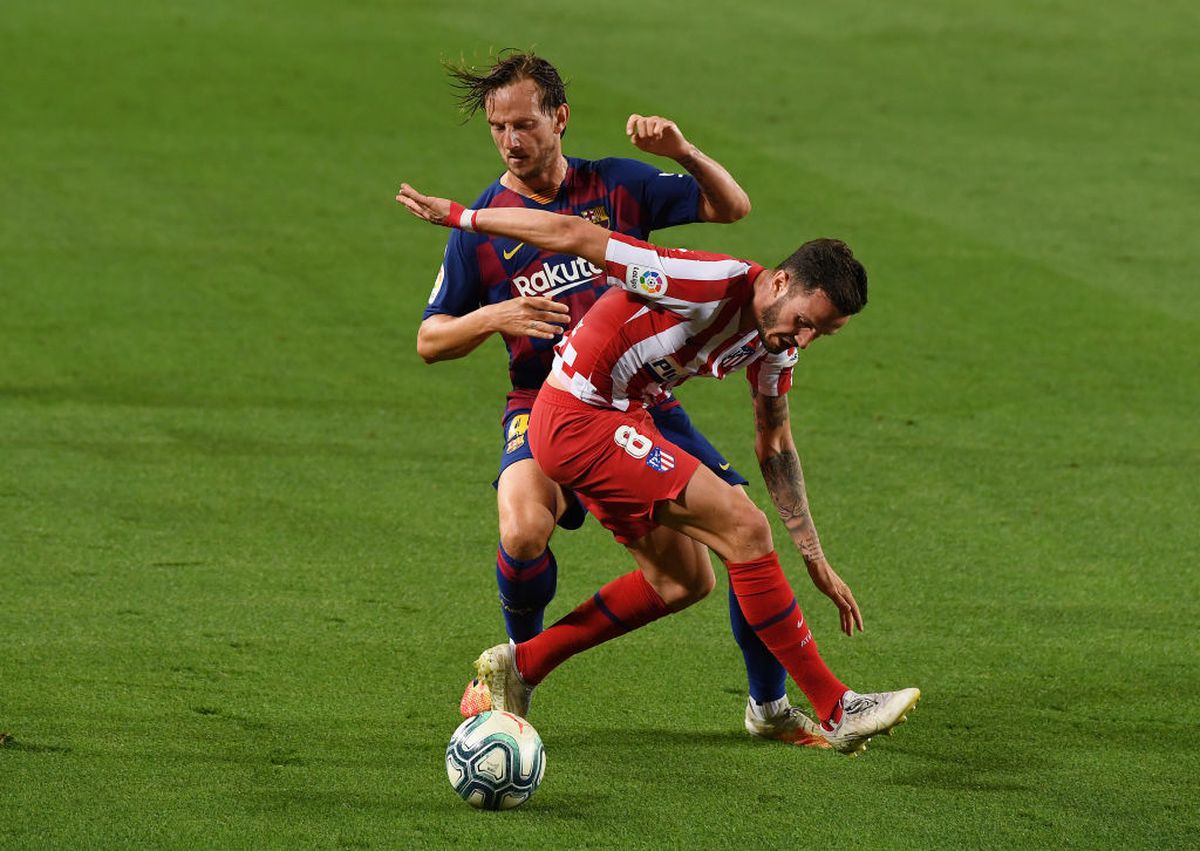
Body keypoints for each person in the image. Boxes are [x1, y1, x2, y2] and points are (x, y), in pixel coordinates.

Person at [397, 182, 921, 755]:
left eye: (822, 333)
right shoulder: (704, 282)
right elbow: (579, 235)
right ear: (780, 282)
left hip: (627, 416)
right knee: (743, 529)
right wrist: (464, 217)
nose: (805, 339)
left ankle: (520, 665)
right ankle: (835, 707)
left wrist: (815, 558)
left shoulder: (776, 343)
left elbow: (774, 443)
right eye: (804, 321)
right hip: (576, 417)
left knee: (684, 580)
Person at [417, 52, 826, 746]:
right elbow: (430, 339)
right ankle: (521, 676)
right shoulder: (483, 226)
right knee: (521, 532)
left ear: (559, 118)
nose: (510, 141)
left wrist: (685, 152)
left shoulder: (616, 187)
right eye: (497, 127)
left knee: (742, 529)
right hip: (543, 402)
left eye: (522, 123)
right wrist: (495, 318)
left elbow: (730, 207)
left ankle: (769, 705)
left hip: (643, 402)